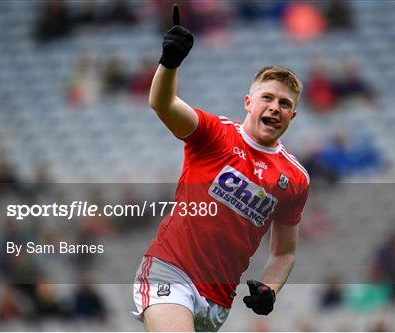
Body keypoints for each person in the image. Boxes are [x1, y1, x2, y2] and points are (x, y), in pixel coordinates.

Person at [132, 5, 309, 331]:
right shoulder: (214, 133)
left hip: (217, 300)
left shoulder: (294, 179)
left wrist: (271, 289)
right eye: (267, 98)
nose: (275, 108)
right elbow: (163, 104)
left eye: (285, 104)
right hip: (170, 270)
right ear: (248, 102)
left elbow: (284, 252)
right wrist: (169, 62)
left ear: (292, 117)